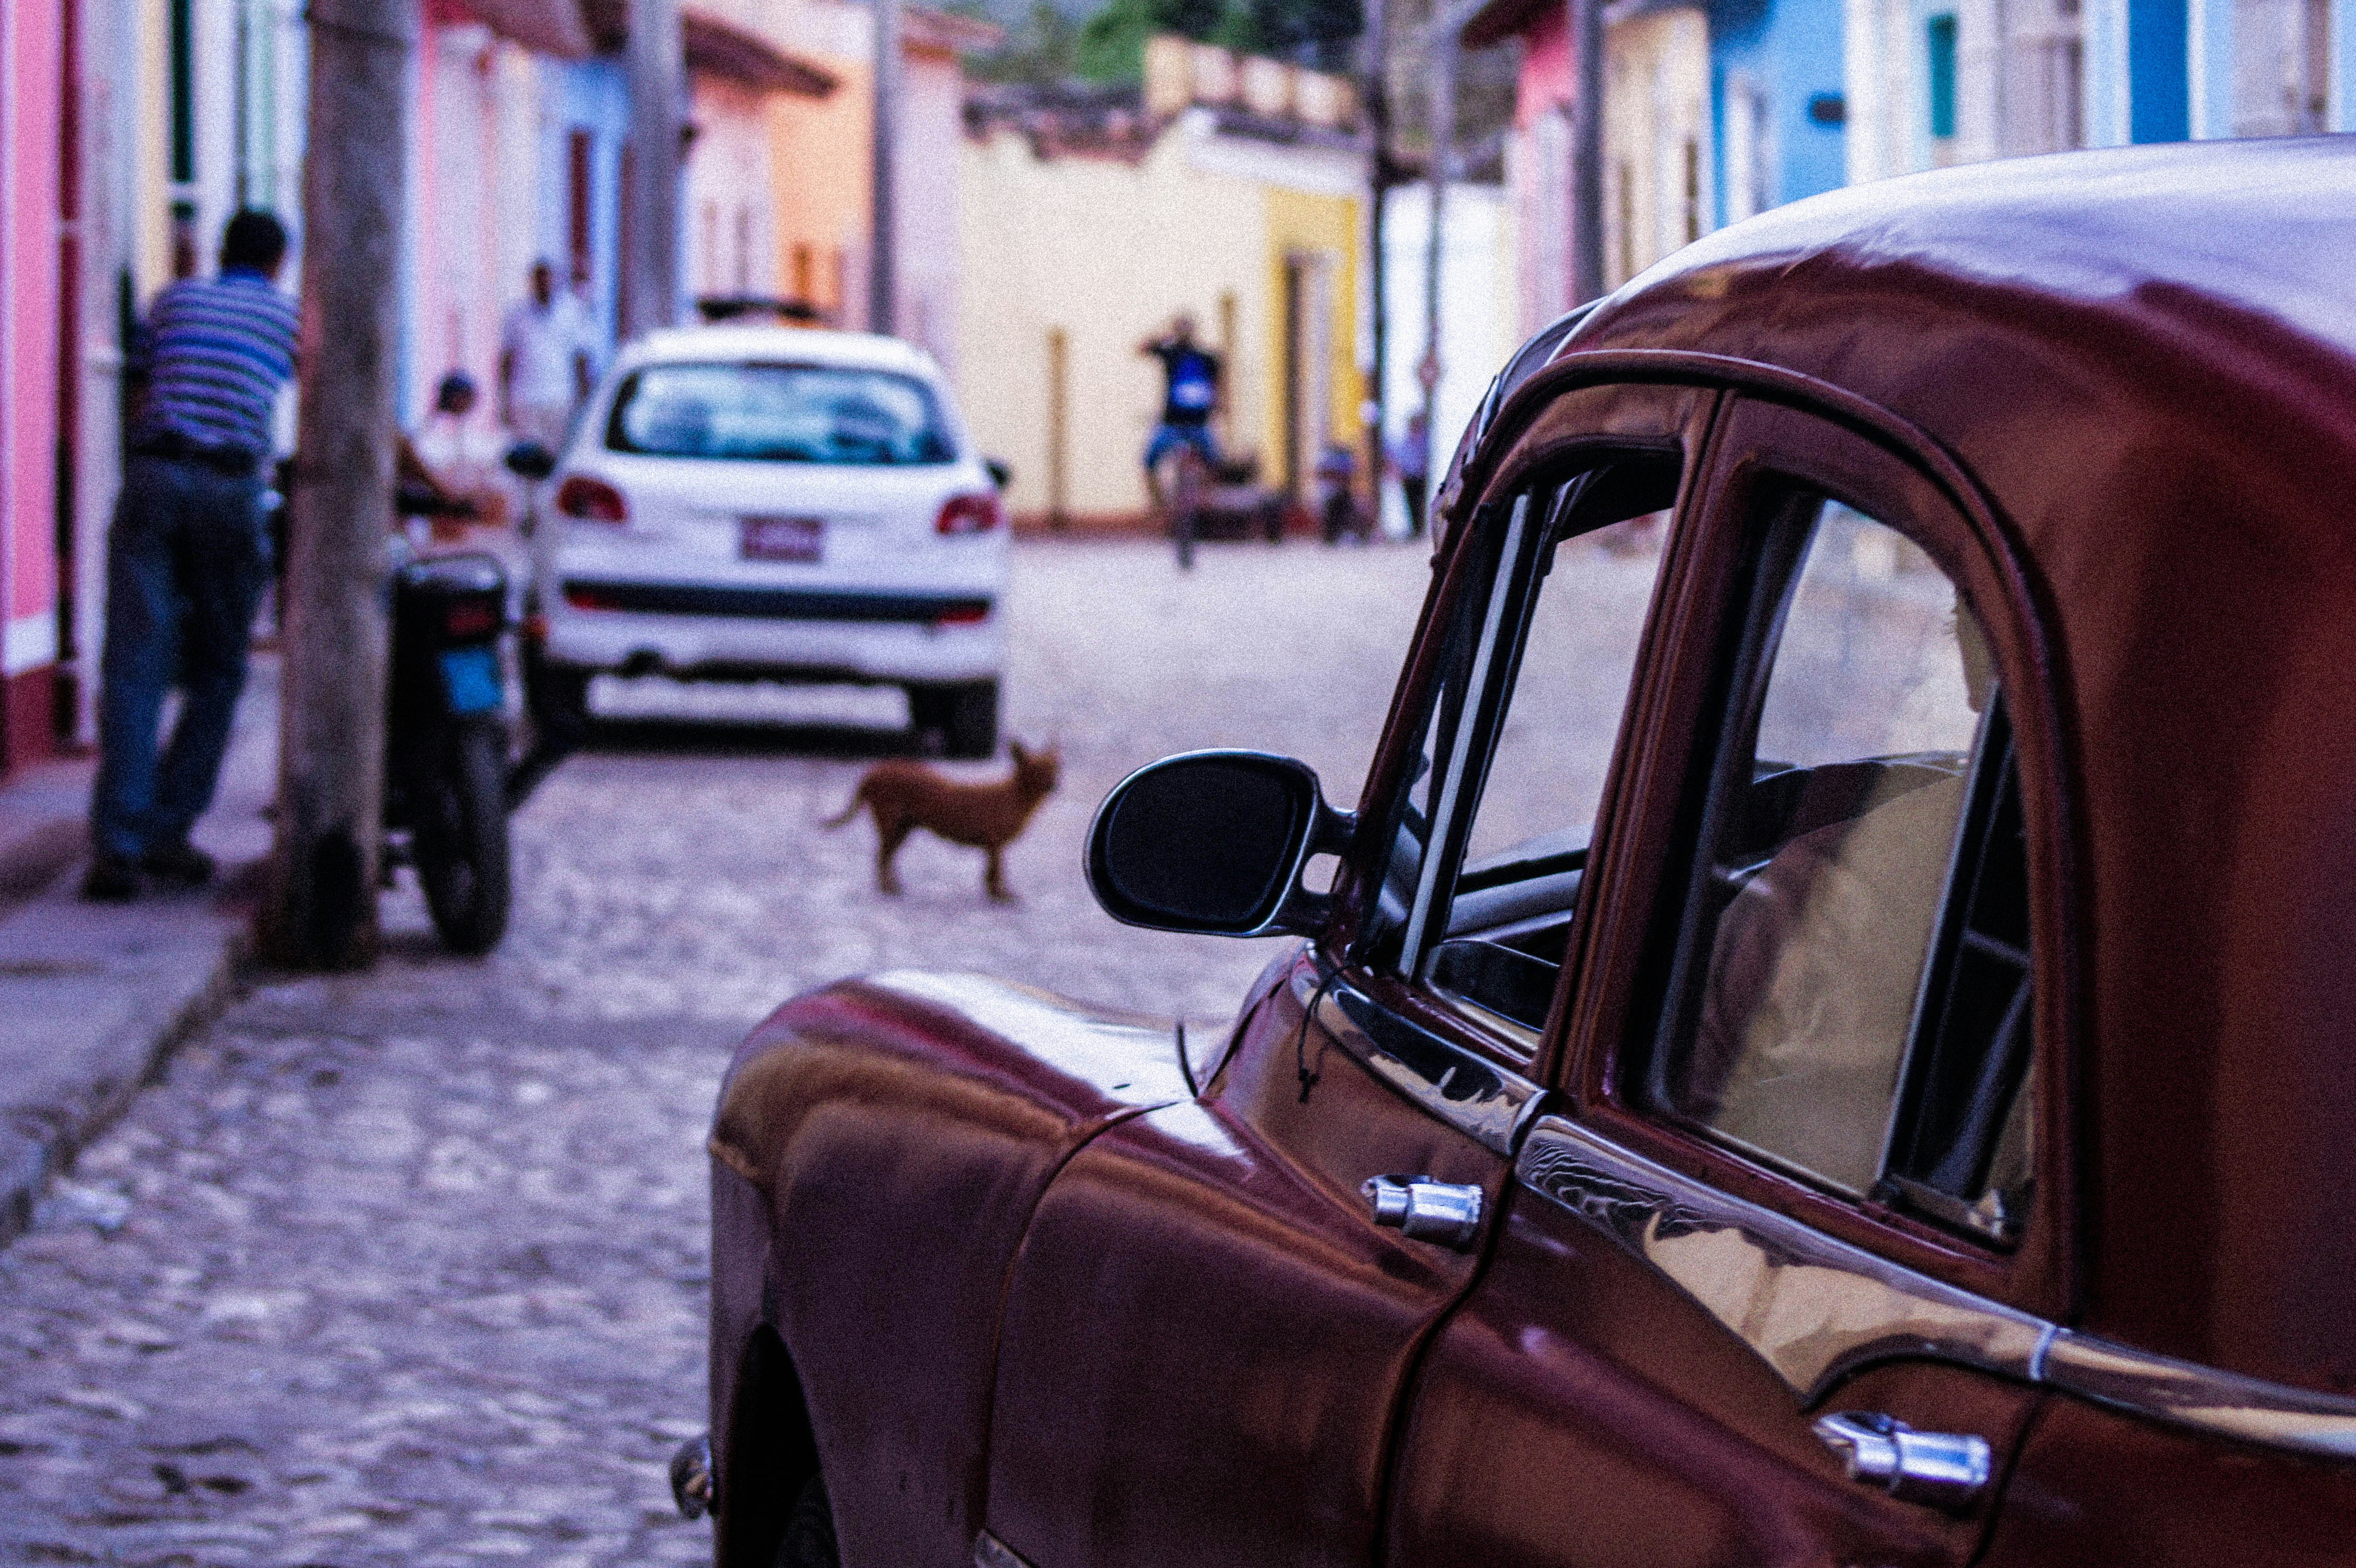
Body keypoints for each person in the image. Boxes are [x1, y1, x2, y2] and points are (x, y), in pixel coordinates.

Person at [85, 209, 299, 900]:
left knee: (135, 664)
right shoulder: (288, 316)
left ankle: (118, 845)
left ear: (220, 251)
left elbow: (140, 390)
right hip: (229, 486)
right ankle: (168, 830)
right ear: (278, 263)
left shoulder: (172, 301)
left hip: (154, 472)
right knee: (218, 668)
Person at [499, 261, 593, 453]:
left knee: (557, 454)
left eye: (548, 279)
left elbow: (581, 358)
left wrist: (584, 400)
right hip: (525, 398)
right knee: (527, 456)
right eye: (539, 279)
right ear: (532, 282)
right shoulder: (517, 315)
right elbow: (507, 359)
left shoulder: (572, 312)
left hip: (561, 398)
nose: (544, 284)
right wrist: (504, 400)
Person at [1138, 313, 1222, 508]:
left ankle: (1205, 503)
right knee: (1149, 460)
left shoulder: (1207, 357)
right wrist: (1164, 335)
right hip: (1171, 423)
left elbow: (1218, 386)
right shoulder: (1171, 354)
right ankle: (1159, 506)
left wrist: (1220, 405)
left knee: (1215, 462)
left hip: (1199, 423)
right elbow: (1142, 348)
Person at [1389, 409, 1432, 538]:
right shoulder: (1406, 440)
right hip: (1408, 477)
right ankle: (1414, 528)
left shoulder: (1424, 440)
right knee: (1411, 503)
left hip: (1420, 477)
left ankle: (1420, 528)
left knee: (1420, 503)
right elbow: (1399, 457)